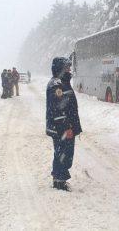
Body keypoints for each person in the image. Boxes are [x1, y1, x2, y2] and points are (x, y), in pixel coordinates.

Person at [46, 57, 82, 191]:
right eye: (67, 67)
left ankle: (58, 178)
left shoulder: (62, 82)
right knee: (63, 154)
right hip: (62, 128)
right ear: (60, 68)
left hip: (63, 127)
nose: (69, 69)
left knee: (62, 153)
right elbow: (58, 109)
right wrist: (67, 127)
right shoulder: (57, 85)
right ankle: (60, 182)